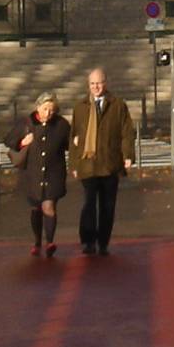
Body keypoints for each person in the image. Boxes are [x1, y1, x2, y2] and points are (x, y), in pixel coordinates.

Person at [68, 66, 135, 255]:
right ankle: (88, 240)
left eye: (99, 83)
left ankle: (103, 241)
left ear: (105, 83)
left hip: (109, 163)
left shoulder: (118, 105)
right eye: (92, 84)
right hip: (87, 163)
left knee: (107, 205)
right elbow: (74, 137)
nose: (96, 87)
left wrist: (128, 155)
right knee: (89, 203)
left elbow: (127, 133)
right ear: (88, 85)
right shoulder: (80, 107)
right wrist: (73, 164)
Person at [12, 91, 73, 257]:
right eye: (45, 109)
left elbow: (70, 145)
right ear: (38, 107)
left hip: (53, 173)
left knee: (49, 206)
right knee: (36, 208)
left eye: (52, 110)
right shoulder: (26, 123)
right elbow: (10, 141)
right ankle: (37, 240)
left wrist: (76, 143)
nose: (48, 113)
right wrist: (22, 142)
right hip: (32, 173)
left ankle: (50, 242)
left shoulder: (61, 125)